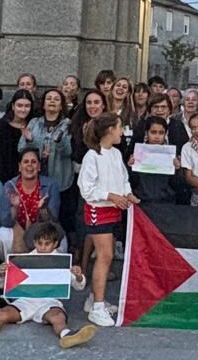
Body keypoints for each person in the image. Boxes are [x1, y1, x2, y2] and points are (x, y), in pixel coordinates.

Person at [0, 219, 97, 350]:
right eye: (39, 243)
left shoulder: (62, 262)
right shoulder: (24, 260)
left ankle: (67, 335)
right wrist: (2, 273)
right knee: (1, 314)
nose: (42, 247)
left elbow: (79, 287)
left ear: (55, 243)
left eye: (47, 244)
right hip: (24, 301)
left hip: (49, 302)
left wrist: (78, 276)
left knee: (58, 317)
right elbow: (3, 284)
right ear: (34, 242)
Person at [78, 113, 138, 327]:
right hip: (98, 210)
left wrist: (128, 194)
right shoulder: (91, 156)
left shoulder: (115, 154)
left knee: (107, 255)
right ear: (109, 130)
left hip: (114, 210)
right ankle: (97, 307)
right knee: (105, 255)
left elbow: (123, 178)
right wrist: (111, 196)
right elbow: (86, 188)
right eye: (120, 127)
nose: (122, 132)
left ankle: (94, 298)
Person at [24, 88, 74, 238]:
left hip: (60, 179)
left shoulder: (67, 124)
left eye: (56, 99)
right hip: (37, 178)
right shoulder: (34, 122)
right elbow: (21, 148)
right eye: (49, 98)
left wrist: (59, 143)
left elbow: (68, 152)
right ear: (44, 104)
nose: (52, 101)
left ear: (61, 105)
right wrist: (30, 141)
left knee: (57, 217)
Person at [0, 147, 61, 259]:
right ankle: (10, 267)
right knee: (1, 235)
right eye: (26, 162)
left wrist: (43, 209)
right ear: (20, 167)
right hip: (18, 230)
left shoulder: (51, 185)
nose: (29, 165)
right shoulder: (10, 185)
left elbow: (53, 220)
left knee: (62, 244)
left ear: (39, 167)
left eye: (34, 162)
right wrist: (14, 208)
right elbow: (5, 222)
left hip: (42, 231)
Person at [0, 90, 34, 222]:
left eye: (27, 106)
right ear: (13, 106)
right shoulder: (1, 126)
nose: (23, 109)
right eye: (20, 105)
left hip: (23, 177)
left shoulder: (33, 126)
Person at [129, 116, 181, 204]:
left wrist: (177, 170)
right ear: (146, 133)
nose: (157, 136)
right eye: (153, 132)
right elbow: (132, 183)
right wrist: (130, 168)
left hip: (166, 203)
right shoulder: (138, 153)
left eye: (161, 133)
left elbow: (178, 185)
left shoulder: (171, 155)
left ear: (166, 134)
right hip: (142, 202)